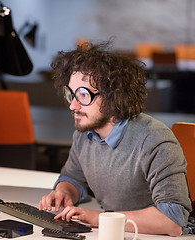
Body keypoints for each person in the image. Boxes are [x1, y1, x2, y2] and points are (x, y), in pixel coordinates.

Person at [38, 41, 192, 237]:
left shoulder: (154, 139)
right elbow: (73, 177)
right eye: (71, 94)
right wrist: (64, 193)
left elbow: (172, 221)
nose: (73, 106)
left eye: (83, 95)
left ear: (113, 97)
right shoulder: (85, 134)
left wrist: (98, 218)